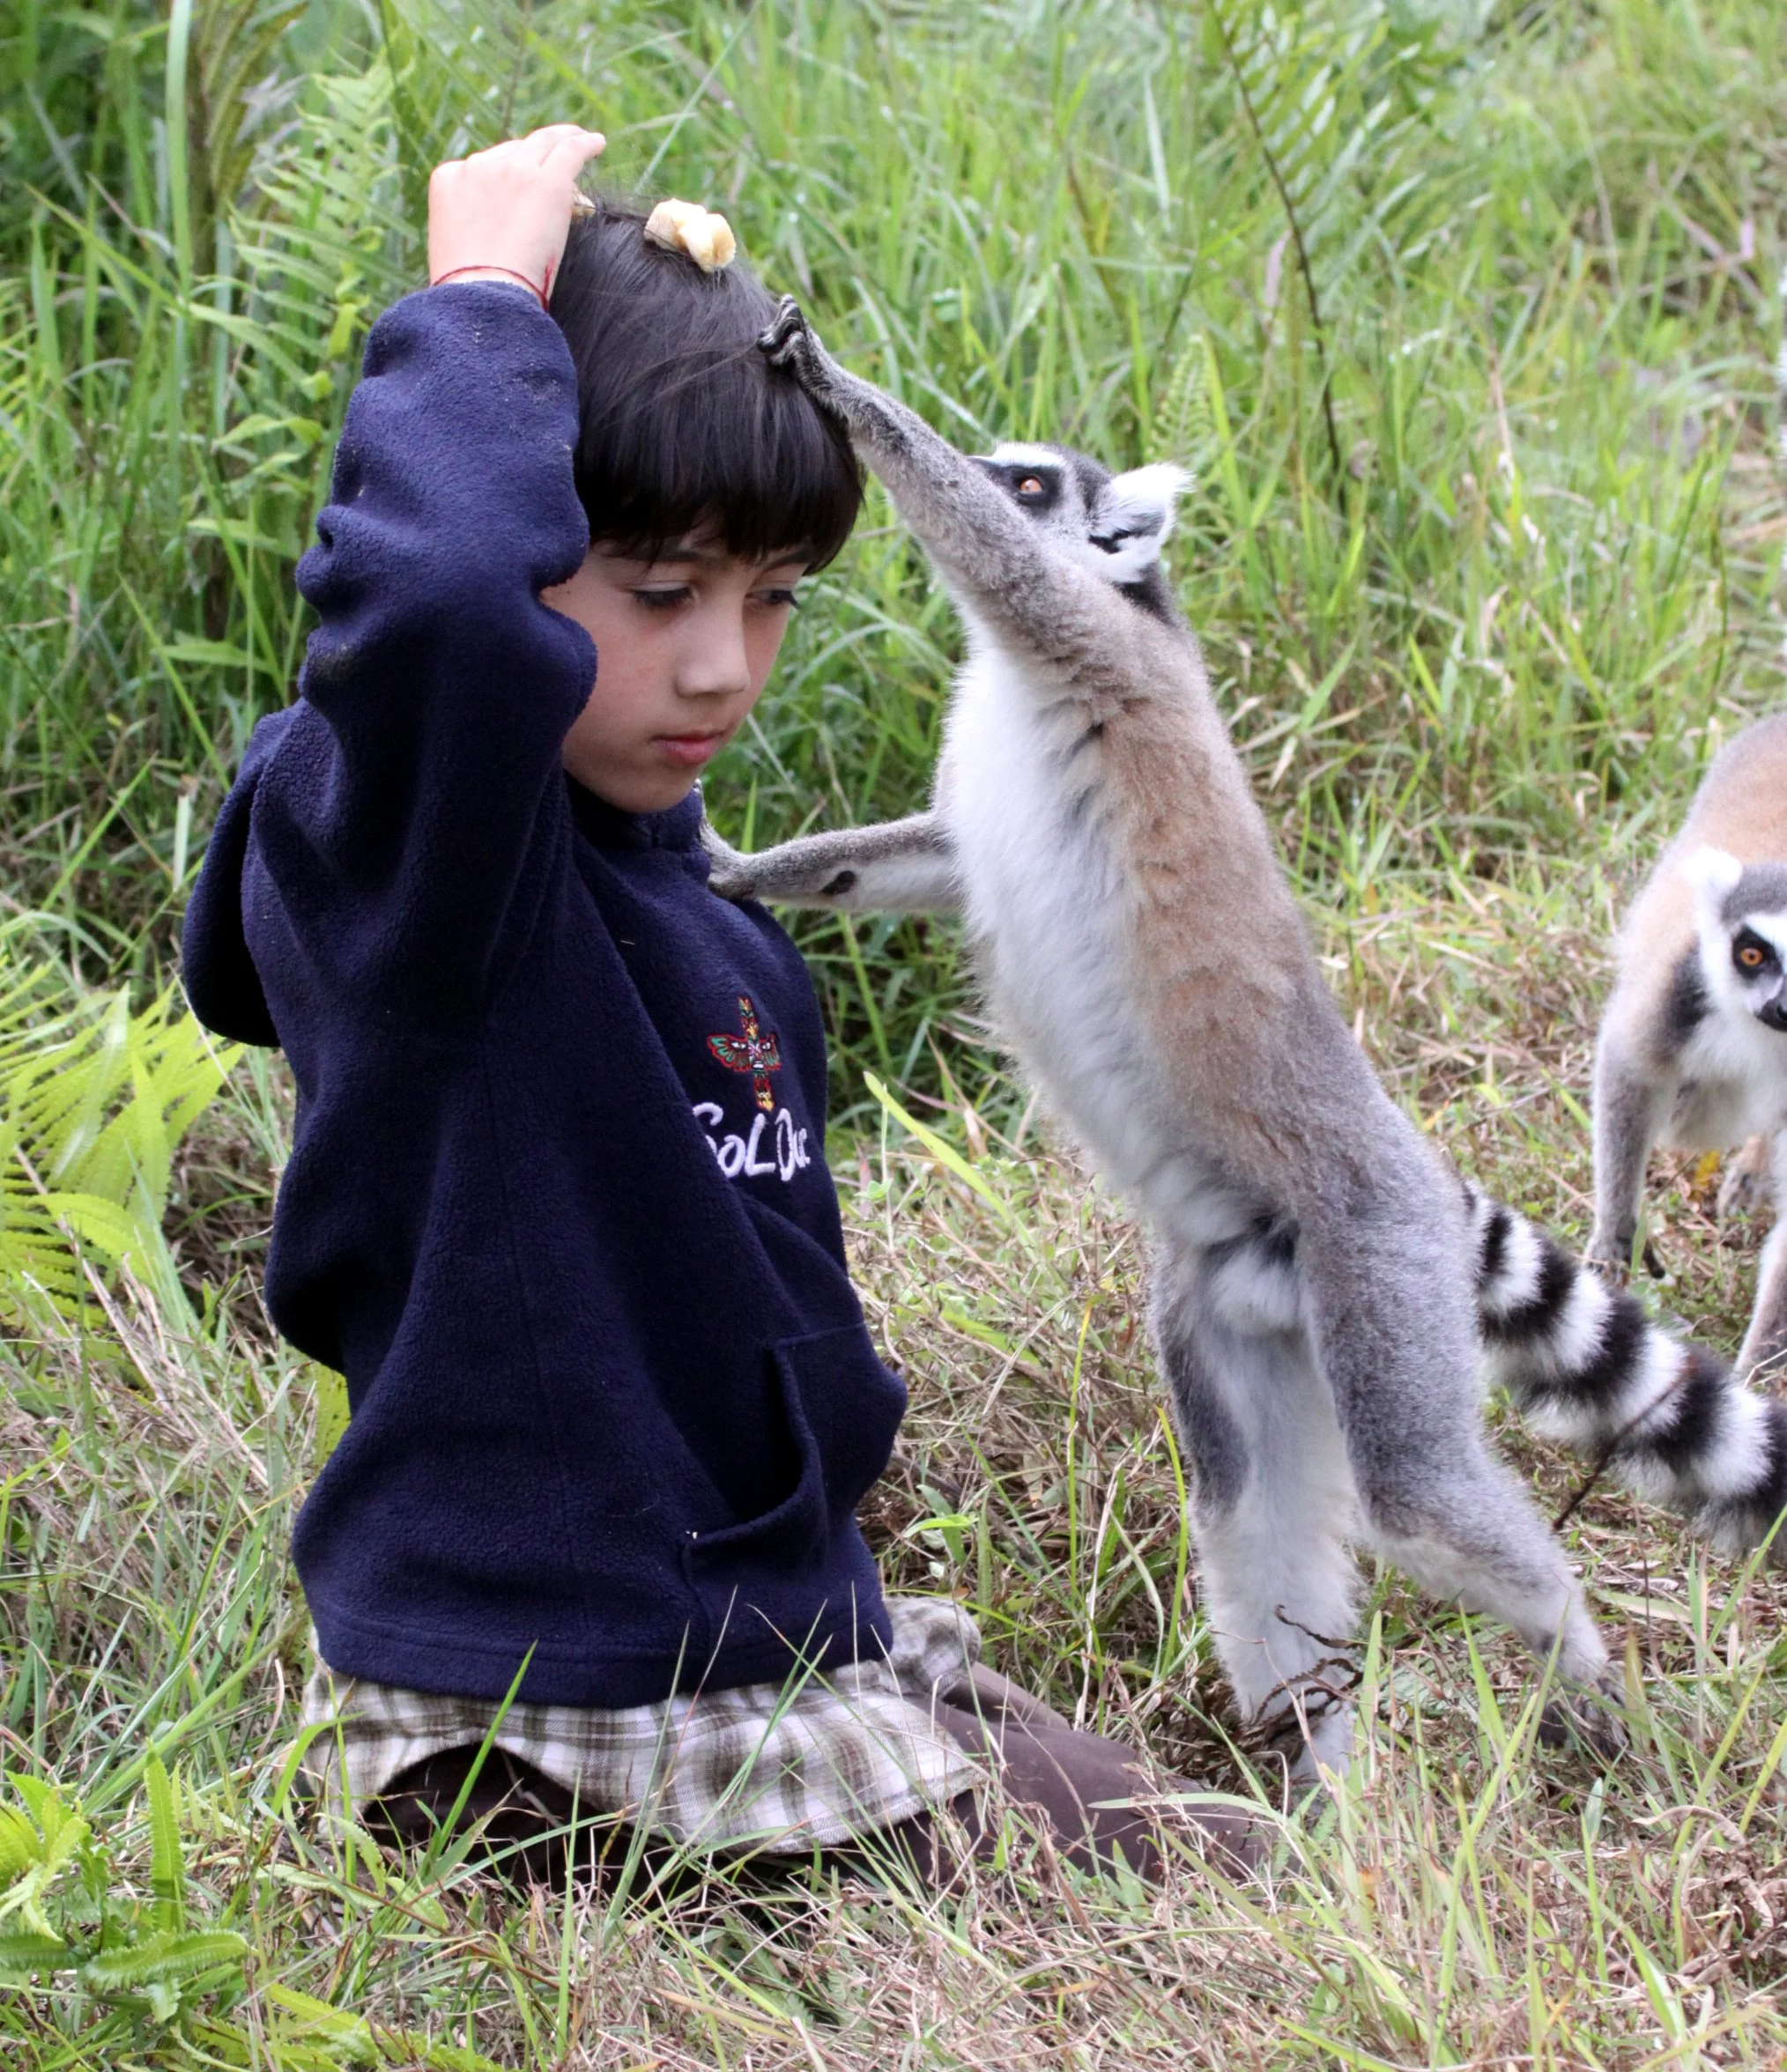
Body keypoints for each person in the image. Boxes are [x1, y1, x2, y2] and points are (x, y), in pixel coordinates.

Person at [182, 123, 1254, 1890]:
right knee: (1100, 1896)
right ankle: (530, 1844)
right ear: (522, 541)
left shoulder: (704, 921)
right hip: (541, 1700)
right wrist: (480, 304)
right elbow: (439, 612)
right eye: (661, 591)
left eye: (770, 601)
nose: (719, 666)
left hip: (751, 1629)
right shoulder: (428, 875)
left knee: (1199, 1846)